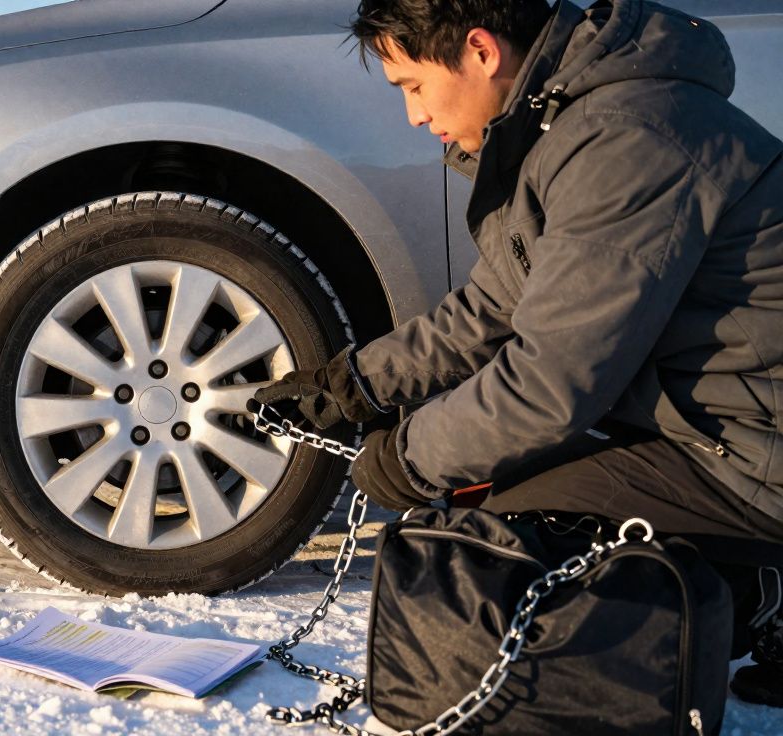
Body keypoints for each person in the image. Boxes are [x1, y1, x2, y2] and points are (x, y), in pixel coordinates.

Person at [253, 0, 783, 705]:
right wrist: (355, 386)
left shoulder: (625, 141)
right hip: (718, 424)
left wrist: (407, 461)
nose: (414, 116)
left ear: (480, 50)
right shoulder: (568, 127)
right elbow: (493, 309)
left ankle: (749, 598)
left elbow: (548, 384)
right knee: (498, 501)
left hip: (756, 451)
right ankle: (749, 592)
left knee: (503, 536)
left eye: (412, 86)